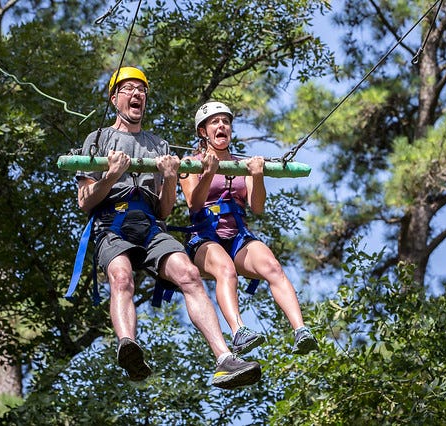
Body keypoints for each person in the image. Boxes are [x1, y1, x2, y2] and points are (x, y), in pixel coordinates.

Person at [75, 68, 261, 389]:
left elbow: (163, 208)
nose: (136, 95)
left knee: (188, 274)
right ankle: (128, 344)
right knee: (121, 277)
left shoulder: (157, 145)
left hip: (149, 224)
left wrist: (172, 178)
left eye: (141, 91)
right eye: (129, 89)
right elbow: (84, 201)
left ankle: (224, 358)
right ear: (114, 98)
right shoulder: (99, 139)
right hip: (113, 221)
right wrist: (110, 174)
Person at [178, 101, 318, 356]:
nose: (221, 126)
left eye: (226, 122)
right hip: (204, 238)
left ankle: (300, 330)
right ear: (203, 132)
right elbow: (194, 204)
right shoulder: (191, 164)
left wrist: (258, 175)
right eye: (214, 122)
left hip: (238, 236)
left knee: (272, 266)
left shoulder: (243, 165)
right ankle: (239, 331)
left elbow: (258, 207)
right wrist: (208, 173)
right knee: (225, 269)